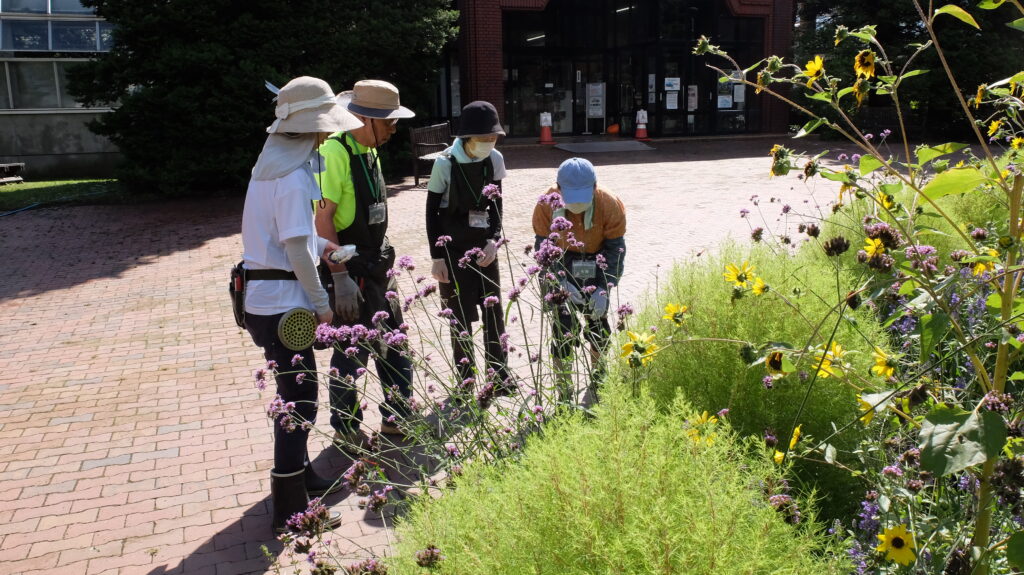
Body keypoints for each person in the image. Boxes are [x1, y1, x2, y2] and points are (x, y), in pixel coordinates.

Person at [241, 76, 362, 533]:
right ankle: (291, 510)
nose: (328, 133)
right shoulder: (292, 177)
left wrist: (326, 247)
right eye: (324, 125)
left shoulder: (272, 167)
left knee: (295, 394)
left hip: (267, 300)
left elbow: (296, 237)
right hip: (283, 305)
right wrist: (322, 304)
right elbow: (294, 248)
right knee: (299, 401)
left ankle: (302, 475)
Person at [314, 80, 415, 444]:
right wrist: (339, 275)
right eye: (388, 122)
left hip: (378, 264)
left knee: (395, 344)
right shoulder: (333, 153)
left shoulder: (370, 150)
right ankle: (346, 428)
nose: (393, 130)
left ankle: (397, 417)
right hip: (350, 268)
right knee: (351, 353)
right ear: (363, 119)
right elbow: (322, 222)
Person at [426, 101, 514, 405]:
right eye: (483, 138)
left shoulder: (495, 159)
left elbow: (497, 205)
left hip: (484, 247)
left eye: (493, 138)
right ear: (467, 137)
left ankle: (499, 376)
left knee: (494, 312)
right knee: (459, 317)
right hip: (453, 248)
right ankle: (466, 381)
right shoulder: (445, 163)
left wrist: (494, 240)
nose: (489, 143)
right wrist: (436, 256)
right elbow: (431, 212)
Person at [532, 157, 627, 402]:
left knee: (598, 324)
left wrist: (604, 286)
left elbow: (615, 249)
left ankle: (599, 377)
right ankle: (564, 389)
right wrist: (556, 282)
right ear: (559, 189)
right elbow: (543, 247)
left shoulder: (609, 203)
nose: (577, 205)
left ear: (594, 187)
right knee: (562, 327)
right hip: (561, 260)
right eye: (571, 197)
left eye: (582, 198)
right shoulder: (546, 204)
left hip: (597, 261)